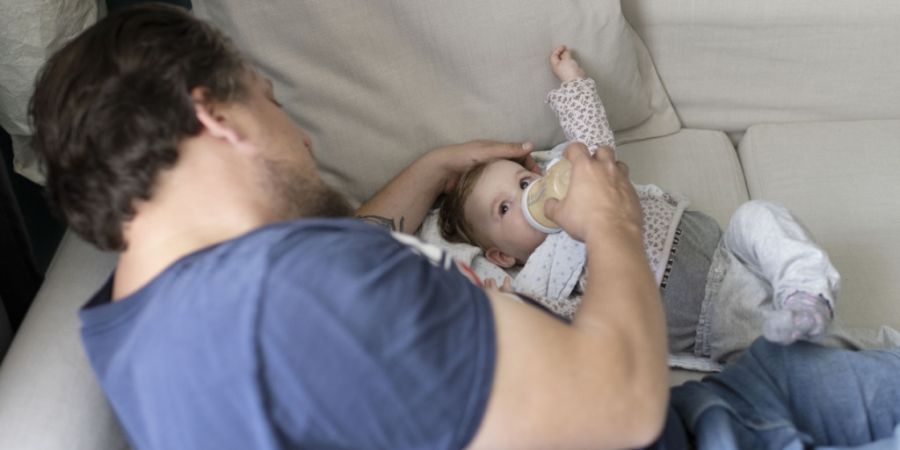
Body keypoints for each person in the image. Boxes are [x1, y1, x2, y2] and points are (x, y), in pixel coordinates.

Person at [29, 4, 900, 449]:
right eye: (272, 101)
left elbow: (356, 259)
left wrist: (439, 165)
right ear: (214, 116)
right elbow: (623, 407)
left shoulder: (142, 328)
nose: (302, 137)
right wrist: (612, 226)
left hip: (717, 405)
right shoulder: (299, 297)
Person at [438, 46, 837, 362]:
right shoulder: (541, 277)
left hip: (727, 251)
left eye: (525, 181)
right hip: (711, 318)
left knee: (758, 216)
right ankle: (812, 343)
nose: (529, 196)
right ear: (502, 256)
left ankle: (806, 294)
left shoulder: (582, 185)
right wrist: (511, 304)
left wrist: (573, 83)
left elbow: (594, 142)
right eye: (504, 208)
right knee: (772, 354)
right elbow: (573, 322)